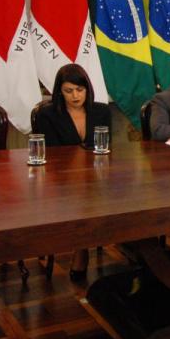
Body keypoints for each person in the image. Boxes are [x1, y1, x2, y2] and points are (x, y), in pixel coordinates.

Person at [33, 63, 112, 281]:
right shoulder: (47, 115)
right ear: (59, 92)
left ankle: (133, 249)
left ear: (88, 89)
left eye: (80, 90)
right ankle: (81, 250)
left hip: (96, 176)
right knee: (83, 202)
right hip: (61, 180)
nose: (75, 96)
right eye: (68, 91)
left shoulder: (101, 111)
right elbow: (53, 154)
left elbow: (106, 148)